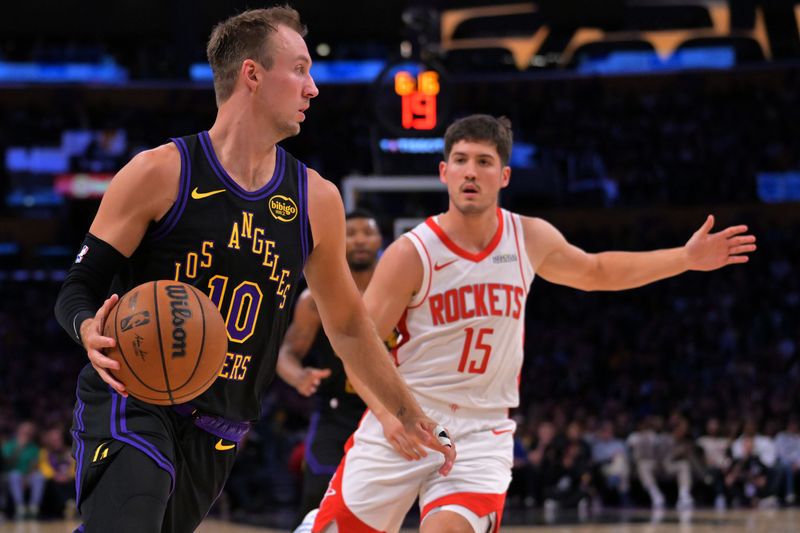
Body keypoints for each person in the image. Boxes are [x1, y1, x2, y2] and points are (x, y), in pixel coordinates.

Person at [53, 8, 453, 533]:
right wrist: (88, 328)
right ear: (252, 74)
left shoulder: (315, 199)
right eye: (300, 69)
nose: (312, 88)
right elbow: (78, 287)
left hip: (220, 428)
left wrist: (406, 409)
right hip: (133, 399)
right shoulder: (160, 172)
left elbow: (350, 327)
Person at [311, 114, 756, 533]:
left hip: (482, 428)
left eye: (484, 162)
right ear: (444, 172)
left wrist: (685, 258)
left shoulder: (528, 237)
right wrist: (390, 415)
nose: (471, 172)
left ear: (504, 175)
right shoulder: (412, 252)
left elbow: (597, 271)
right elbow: (358, 347)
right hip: (408, 415)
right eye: (461, 160)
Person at [276, 209, 383, 526]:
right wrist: (299, 376)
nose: (360, 239)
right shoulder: (316, 298)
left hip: (389, 411)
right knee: (318, 495)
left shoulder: (404, 289)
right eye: (351, 233)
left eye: (367, 232)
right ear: (338, 240)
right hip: (337, 411)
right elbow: (286, 352)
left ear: (380, 240)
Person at [2, 421, 45, 519]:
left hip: (27, 477)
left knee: (39, 476)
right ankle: (20, 507)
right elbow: (8, 463)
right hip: (11, 476)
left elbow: (34, 466)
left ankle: (34, 507)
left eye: (29, 432)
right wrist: (19, 448)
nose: (26, 434)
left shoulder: (33, 447)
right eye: (24, 432)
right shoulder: (9, 445)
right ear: (18, 431)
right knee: (15, 475)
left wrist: (26, 479)